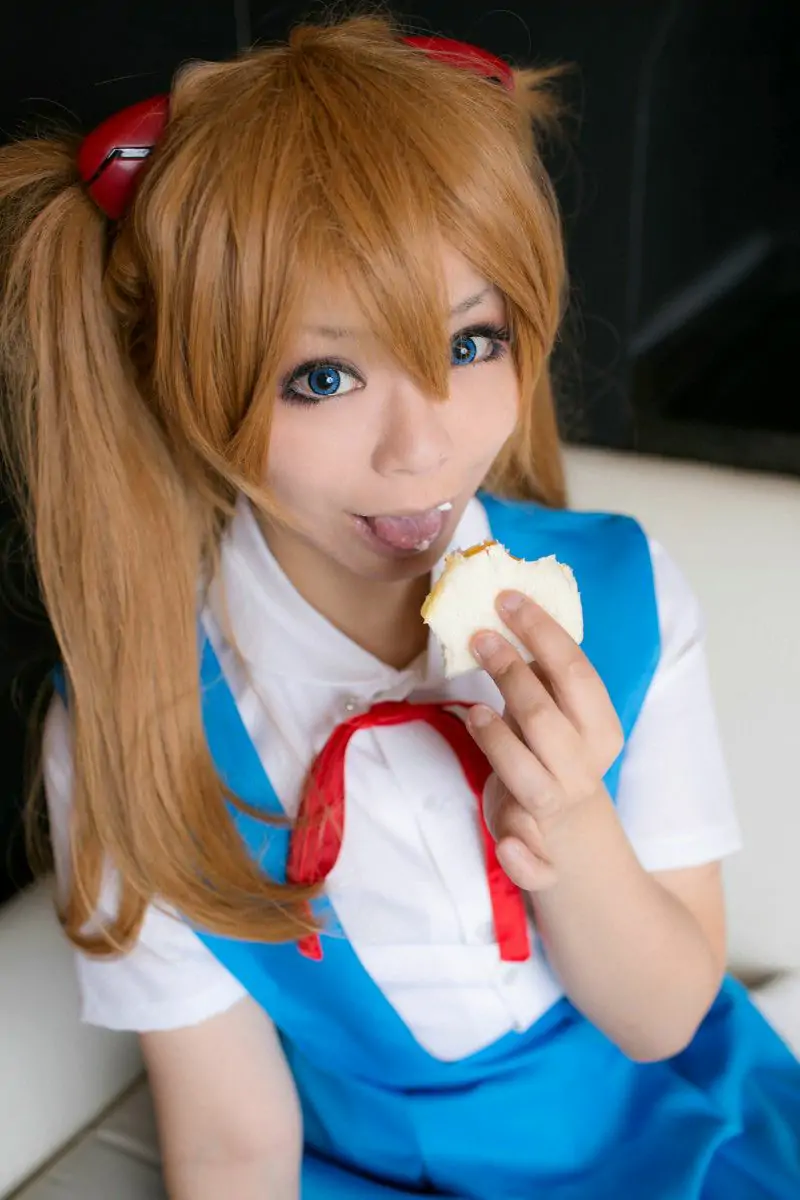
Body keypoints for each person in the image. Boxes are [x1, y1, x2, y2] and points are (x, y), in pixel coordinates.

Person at [1, 15, 798, 1200]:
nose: (421, 449)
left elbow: (665, 1016)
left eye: (469, 342)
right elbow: (228, 1140)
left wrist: (570, 821)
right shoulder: (136, 720)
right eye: (322, 377)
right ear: (178, 382)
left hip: (663, 1134)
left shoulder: (622, 599)